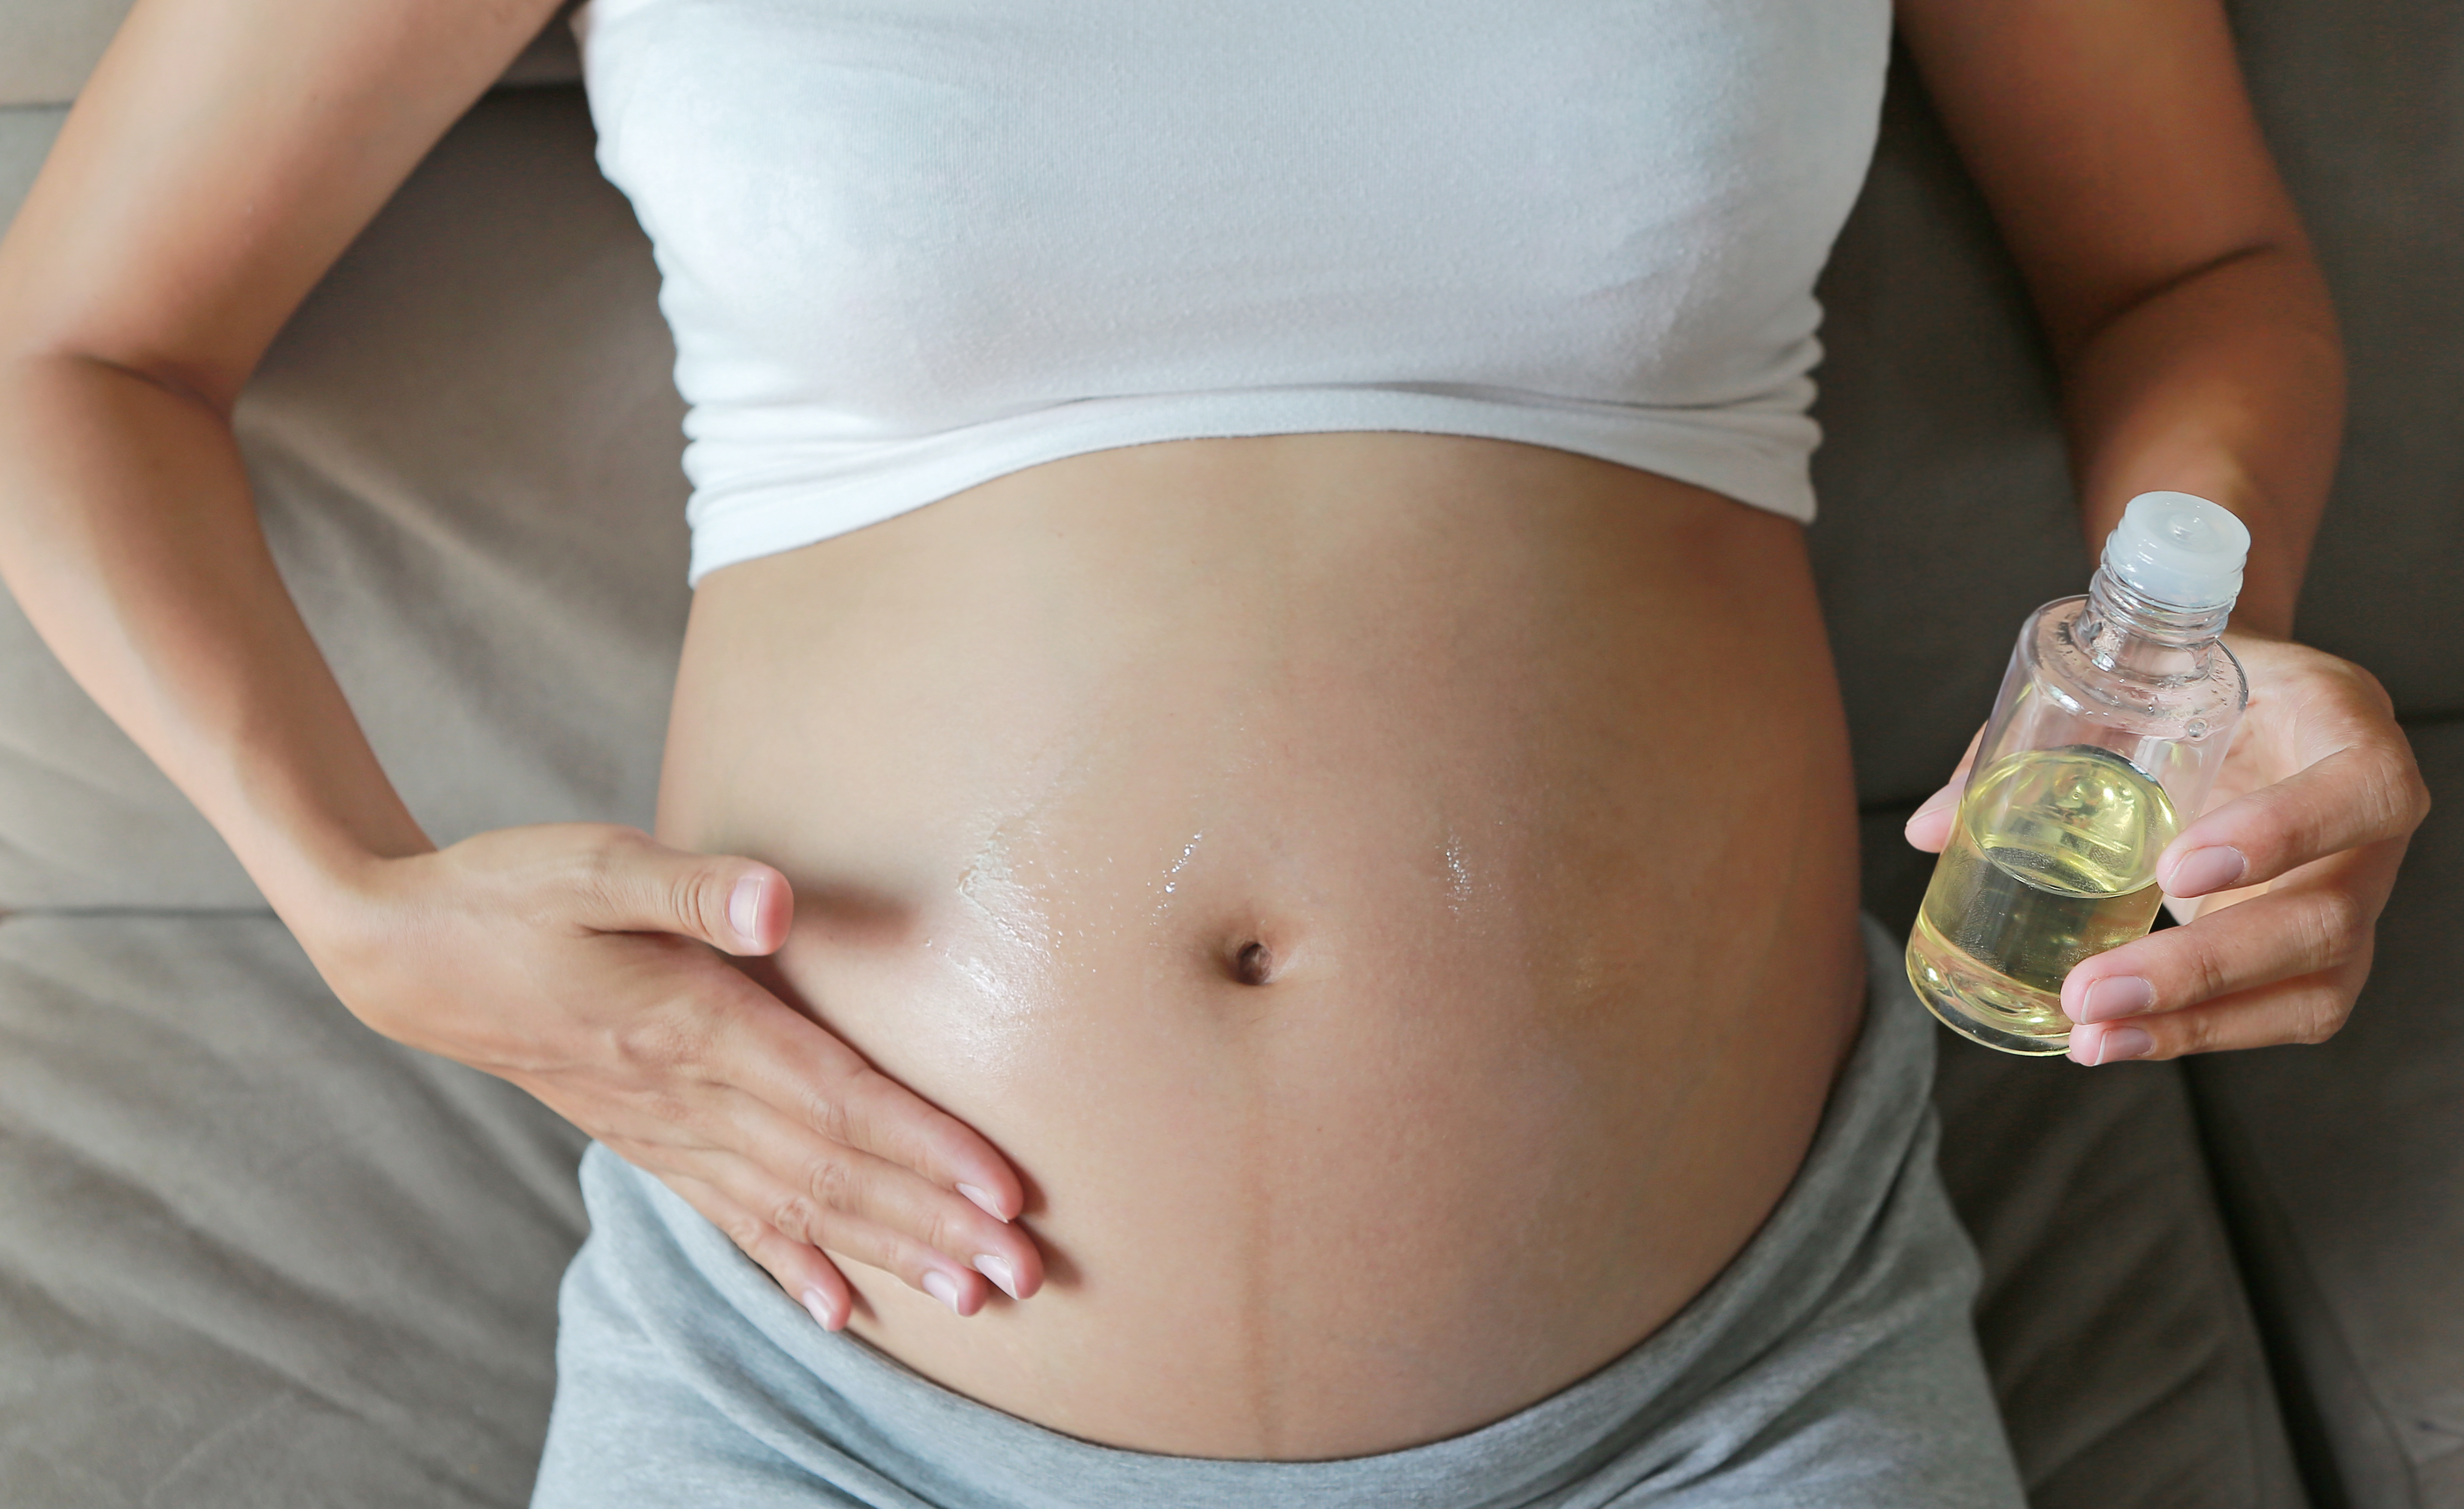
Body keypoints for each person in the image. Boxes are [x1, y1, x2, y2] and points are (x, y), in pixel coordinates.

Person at [0, 0, 2428, 1502]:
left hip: (1728, 1402)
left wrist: (2205, 655)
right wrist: (350, 902)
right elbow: (74, 354)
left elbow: (2183, 271)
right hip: (824, 1406)